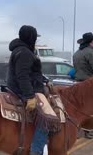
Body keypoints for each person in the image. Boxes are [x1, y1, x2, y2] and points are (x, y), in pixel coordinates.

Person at [7, 25, 59, 155]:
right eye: (35, 37)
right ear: (31, 37)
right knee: (47, 117)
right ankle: (36, 150)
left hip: (26, 86)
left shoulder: (22, 50)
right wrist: (30, 96)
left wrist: (45, 80)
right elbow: (22, 75)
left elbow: (32, 73)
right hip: (24, 90)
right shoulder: (24, 52)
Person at [73, 32, 93, 139]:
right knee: (92, 108)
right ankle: (89, 130)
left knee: (78, 107)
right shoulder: (90, 53)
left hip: (78, 84)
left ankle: (76, 129)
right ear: (91, 42)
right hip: (89, 84)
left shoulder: (76, 53)